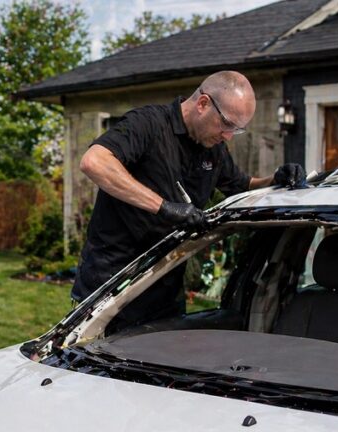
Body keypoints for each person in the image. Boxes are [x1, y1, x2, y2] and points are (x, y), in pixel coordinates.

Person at [72, 70, 306, 332]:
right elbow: (94, 162)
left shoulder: (213, 148)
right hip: (111, 288)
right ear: (203, 103)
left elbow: (240, 185)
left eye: (237, 129)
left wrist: (275, 179)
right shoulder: (148, 124)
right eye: (227, 124)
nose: (228, 136)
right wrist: (164, 207)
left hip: (164, 290)